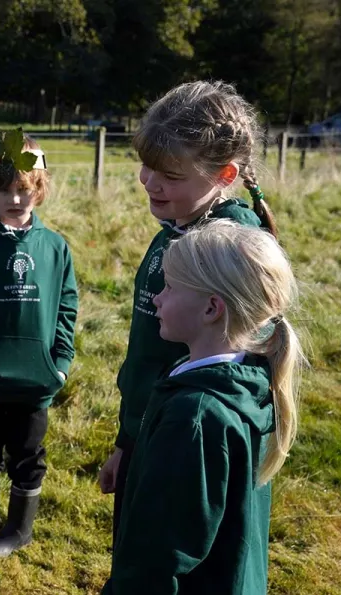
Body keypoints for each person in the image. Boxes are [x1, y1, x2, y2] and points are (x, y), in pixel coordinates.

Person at [98, 81, 279, 543]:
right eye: (147, 166)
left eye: (171, 176)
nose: (150, 182)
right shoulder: (177, 229)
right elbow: (147, 355)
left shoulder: (227, 248)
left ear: (224, 175)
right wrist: (127, 440)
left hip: (190, 439)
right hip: (151, 429)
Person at [103, 220, 305, 594]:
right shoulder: (250, 380)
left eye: (169, 287)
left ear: (212, 308)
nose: (157, 298)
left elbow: (158, 561)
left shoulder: (195, 417)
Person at [0, 130, 78, 557]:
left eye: (24, 190)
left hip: (34, 380)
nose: (14, 199)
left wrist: (59, 363)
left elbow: (67, 307)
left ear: (38, 190)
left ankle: (20, 528)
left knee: (27, 451)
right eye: (4, 189)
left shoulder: (55, 247)